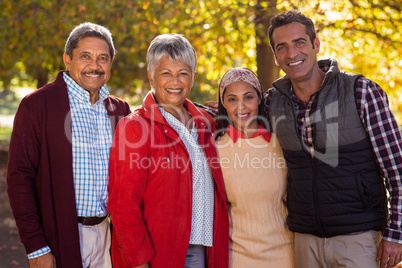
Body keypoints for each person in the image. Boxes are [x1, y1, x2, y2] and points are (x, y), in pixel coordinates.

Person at [265, 10, 402, 268]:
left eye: (299, 42)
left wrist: (396, 234)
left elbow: (397, 170)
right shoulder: (273, 101)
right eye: (281, 47)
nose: (291, 54)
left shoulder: (360, 92)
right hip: (305, 239)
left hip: (358, 238)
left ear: (316, 44)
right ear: (275, 56)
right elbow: (239, 111)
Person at [7, 22, 131, 268]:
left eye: (103, 58)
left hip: (109, 237)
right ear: (67, 59)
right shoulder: (37, 105)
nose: (94, 65)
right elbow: (20, 178)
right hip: (60, 236)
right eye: (85, 56)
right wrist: (36, 248)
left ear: (110, 64)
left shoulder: (119, 110)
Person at [107, 33, 229, 268]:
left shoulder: (205, 123)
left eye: (183, 73)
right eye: (166, 73)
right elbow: (123, 205)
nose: (175, 81)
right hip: (157, 252)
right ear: (151, 77)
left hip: (203, 249)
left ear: (192, 78)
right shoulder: (135, 127)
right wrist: (138, 260)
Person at [215, 67, 294, 268]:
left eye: (248, 97)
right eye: (232, 99)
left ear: (259, 98)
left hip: (286, 255)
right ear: (223, 103)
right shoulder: (215, 151)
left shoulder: (281, 144)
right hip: (237, 258)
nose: (241, 106)